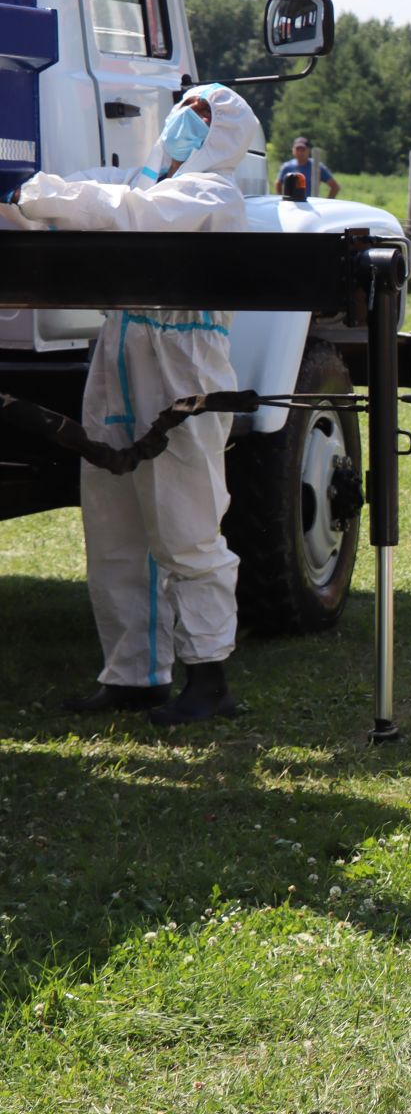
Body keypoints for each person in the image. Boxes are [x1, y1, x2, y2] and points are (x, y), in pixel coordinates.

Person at [11, 84, 261, 726]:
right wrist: (21, 200)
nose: (185, 123)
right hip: (118, 357)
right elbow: (73, 200)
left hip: (183, 369)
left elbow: (128, 215)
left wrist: (46, 197)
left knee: (187, 526)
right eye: (185, 111)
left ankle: (209, 680)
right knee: (114, 526)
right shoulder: (140, 182)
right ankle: (133, 676)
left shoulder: (212, 194)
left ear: (225, 137)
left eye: (202, 117)